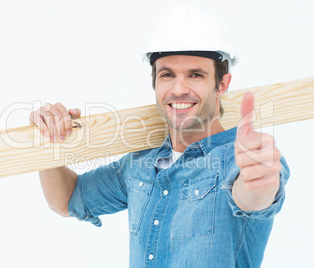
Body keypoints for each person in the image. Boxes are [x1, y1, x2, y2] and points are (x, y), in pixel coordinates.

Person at [29, 4, 289, 268]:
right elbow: (66, 199)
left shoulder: (241, 159)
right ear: (154, 81)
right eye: (167, 74)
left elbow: (253, 195)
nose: (178, 89)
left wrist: (260, 180)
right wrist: (49, 138)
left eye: (195, 74)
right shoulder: (139, 166)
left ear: (222, 84)